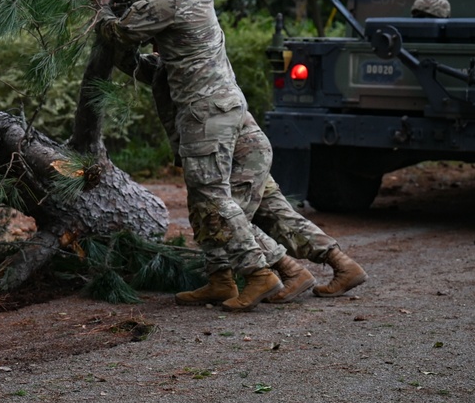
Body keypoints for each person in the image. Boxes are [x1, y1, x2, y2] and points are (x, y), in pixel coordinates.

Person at [89, 0, 282, 312]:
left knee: (212, 196)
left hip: (202, 111)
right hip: (231, 104)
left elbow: (121, 35)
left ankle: (258, 272)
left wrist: (102, 7)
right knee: (206, 196)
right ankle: (220, 278)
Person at [117, 50, 368, 301]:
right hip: (247, 149)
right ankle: (342, 265)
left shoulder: (192, 61)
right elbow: (129, 59)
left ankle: (287, 271)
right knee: (276, 215)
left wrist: (119, 24)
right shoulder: (169, 64)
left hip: (236, 151)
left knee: (221, 216)